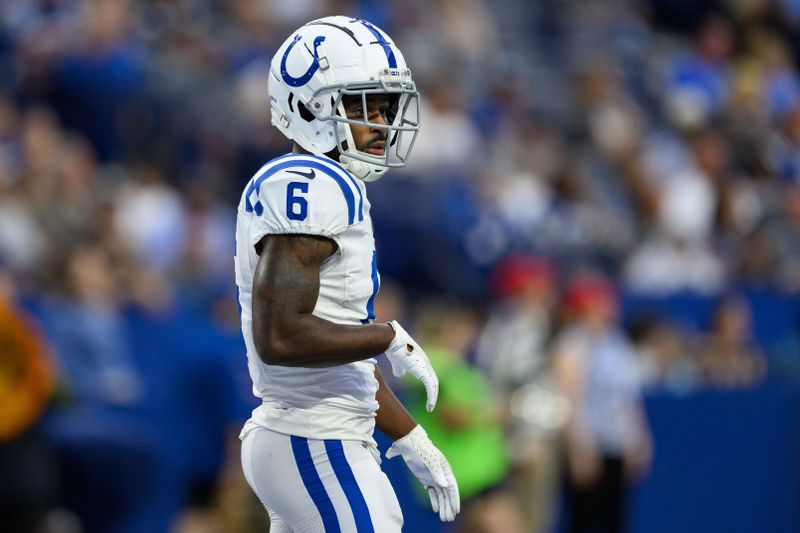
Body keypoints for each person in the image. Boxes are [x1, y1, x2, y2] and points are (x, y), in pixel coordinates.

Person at [234, 16, 460, 532]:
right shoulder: (309, 183)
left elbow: (335, 354)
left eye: (386, 105)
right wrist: (388, 336)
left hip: (318, 436)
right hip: (313, 441)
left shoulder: (327, 185)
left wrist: (408, 436)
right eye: (364, 105)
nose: (381, 120)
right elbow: (282, 335)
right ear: (310, 105)